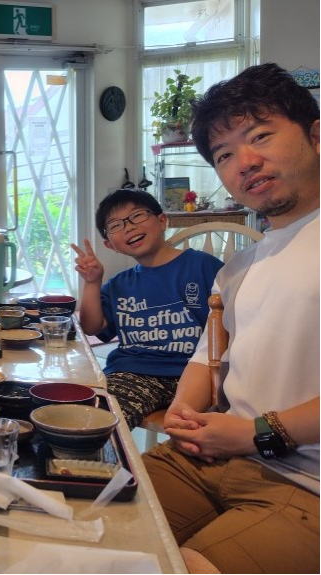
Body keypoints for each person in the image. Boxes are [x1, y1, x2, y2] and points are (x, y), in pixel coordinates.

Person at [143, 63, 319, 573]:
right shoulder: (238, 267)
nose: (245, 162)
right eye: (223, 154)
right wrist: (182, 411)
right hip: (211, 459)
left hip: (304, 484)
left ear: (315, 135)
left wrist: (256, 433)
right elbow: (208, 358)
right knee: (89, 522)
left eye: (260, 136)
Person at [71, 188, 223, 429]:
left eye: (137, 216)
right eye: (116, 225)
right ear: (110, 244)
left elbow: (235, 315)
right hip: (132, 373)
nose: (129, 227)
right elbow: (92, 327)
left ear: (162, 221)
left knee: (193, 428)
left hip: (196, 372)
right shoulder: (120, 284)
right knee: (90, 416)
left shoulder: (201, 265)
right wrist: (92, 282)